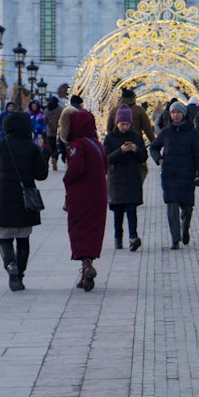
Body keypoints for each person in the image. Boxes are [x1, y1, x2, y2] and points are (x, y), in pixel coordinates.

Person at [0, 109, 49, 291]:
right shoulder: (32, 147)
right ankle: (20, 274)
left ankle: (10, 264)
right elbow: (42, 175)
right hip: (25, 201)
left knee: (4, 238)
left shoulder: (0, 146)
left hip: (5, 199)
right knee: (23, 239)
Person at [150, 101, 199, 249]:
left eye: (178, 112)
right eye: (173, 112)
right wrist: (159, 159)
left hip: (187, 176)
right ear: (170, 114)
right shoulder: (166, 132)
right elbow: (154, 147)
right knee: (172, 207)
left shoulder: (192, 133)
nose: (175, 115)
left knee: (187, 209)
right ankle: (175, 239)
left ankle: (185, 227)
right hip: (169, 176)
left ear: (183, 114)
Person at [63, 109, 108, 289]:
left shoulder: (77, 145)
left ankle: (87, 265)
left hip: (81, 196)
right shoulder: (97, 143)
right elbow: (105, 167)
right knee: (92, 229)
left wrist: (66, 178)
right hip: (98, 195)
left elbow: (76, 169)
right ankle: (86, 270)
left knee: (79, 228)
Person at [104, 105, 147, 251]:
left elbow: (143, 157)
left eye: (127, 124)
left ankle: (133, 237)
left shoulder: (136, 136)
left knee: (131, 210)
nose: (125, 127)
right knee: (118, 212)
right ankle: (118, 238)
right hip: (116, 179)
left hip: (132, 179)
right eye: (122, 124)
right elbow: (106, 158)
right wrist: (120, 151)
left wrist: (135, 149)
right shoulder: (110, 138)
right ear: (117, 123)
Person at [44, 96, 64, 169]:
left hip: (49, 131)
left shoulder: (47, 109)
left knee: (51, 145)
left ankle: (52, 156)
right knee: (57, 146)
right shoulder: (60, 109)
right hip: (58, 131)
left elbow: (45, 120)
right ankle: (55, 158)